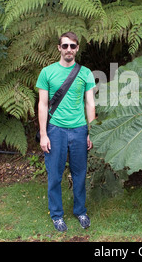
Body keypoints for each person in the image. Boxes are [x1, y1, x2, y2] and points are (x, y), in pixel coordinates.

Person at [36, 31, 96, 232]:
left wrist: (91, 131)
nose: (68, 49)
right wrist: (44, 134)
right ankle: (57, 215)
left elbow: (89, 103)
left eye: (72, 46)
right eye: (65, 46)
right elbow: (43, 104)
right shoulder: (47, 72)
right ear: (59, 48)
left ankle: (80, 211)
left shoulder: (85, 72)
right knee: (55, 175)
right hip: (56, 130)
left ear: (77, 48)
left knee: (80, 173)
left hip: (79, 130)